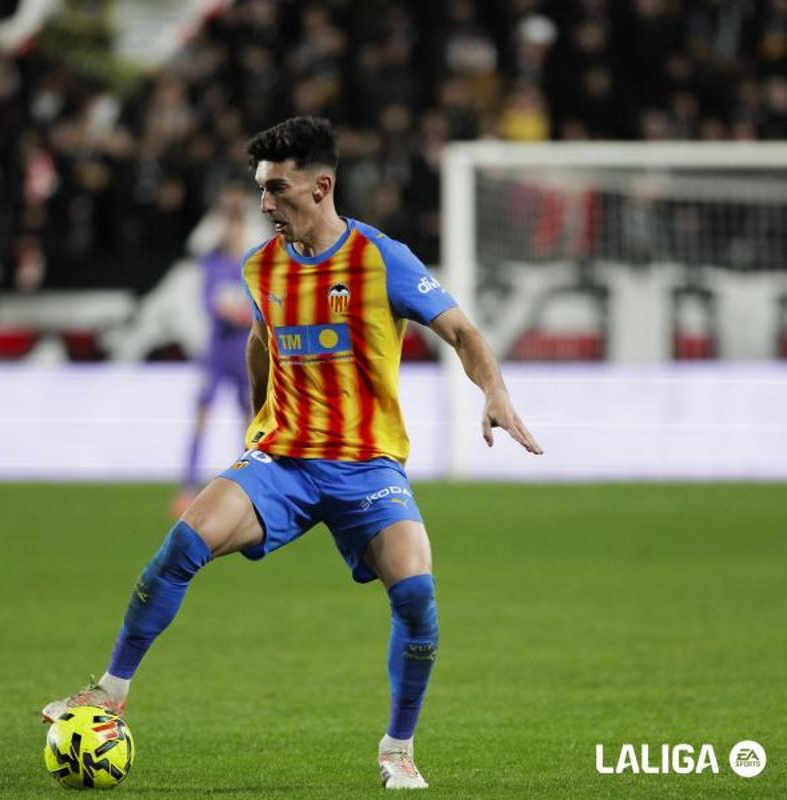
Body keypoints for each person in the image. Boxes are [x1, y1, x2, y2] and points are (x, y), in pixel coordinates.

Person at [41, 117, 542, 790]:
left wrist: (496, 391)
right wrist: (257, 423)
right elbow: (260, 337)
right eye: (260, 189)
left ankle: (397, 747)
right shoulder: (261, 267)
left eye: (276, 189)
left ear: (321, 186)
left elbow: (461, 330)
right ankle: (108, 690)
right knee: (182, 543)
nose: (264, 203)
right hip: (283, 462)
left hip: (367, 467)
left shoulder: (381, 258)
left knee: (418, 597)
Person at [172, 186, 254, 517]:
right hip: (218, 351)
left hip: (244, 352)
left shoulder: (253, 265)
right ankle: (187, 488)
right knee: (202, 418)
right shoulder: (212, 263)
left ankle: (247, 487)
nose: (231, 231)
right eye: (227, 224)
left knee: (249, 422)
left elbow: (262, 304)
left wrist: (245, 312)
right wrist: (231, 312)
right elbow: (208, 302)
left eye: (236, 224)